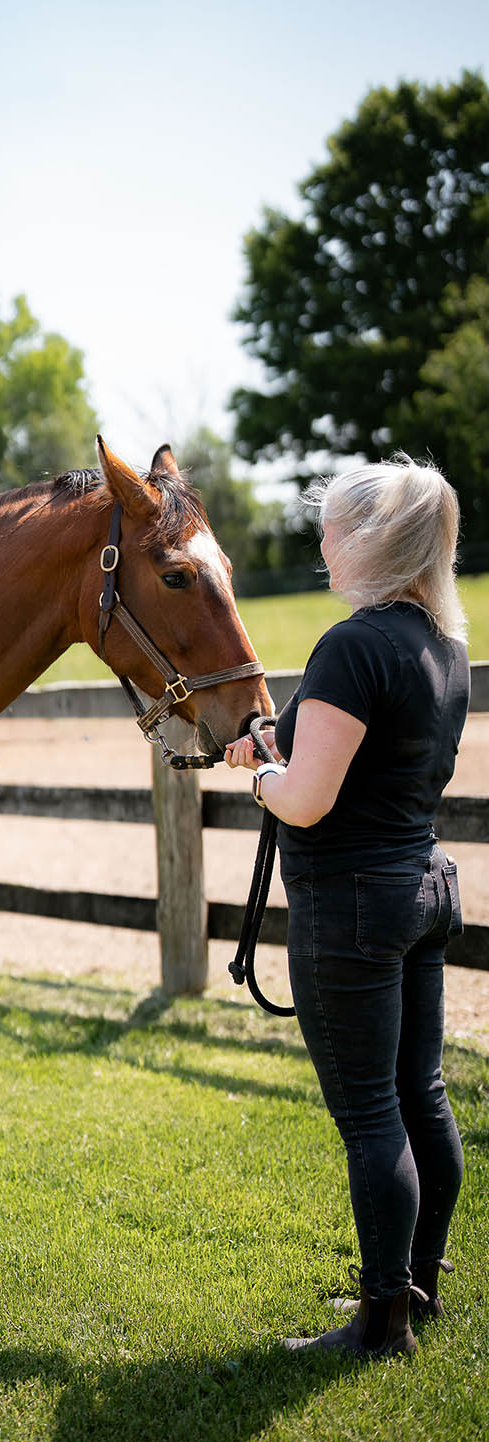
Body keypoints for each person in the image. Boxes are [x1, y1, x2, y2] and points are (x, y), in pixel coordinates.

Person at [225, 455, 469, 1360]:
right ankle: (418, 1281)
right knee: (420, 1094)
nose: (320, 541)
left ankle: (380, 1322)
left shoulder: (352, 645)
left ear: (367, 540)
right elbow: (366, 761)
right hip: (422, 885)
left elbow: (308, 799)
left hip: (354, 904)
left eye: (330, 526)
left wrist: (261, 775)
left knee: (371, 1114)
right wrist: (281, 749)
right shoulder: (442, 646)